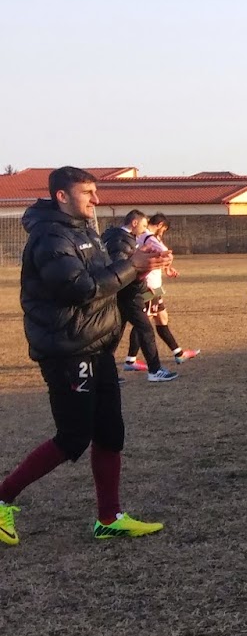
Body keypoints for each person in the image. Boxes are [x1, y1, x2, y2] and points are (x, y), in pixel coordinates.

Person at [0, 166, 169, 545]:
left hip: (96, 344)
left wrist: (142, 268)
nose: (96, 199)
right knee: (73, 436)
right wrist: (131, 266)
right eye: (87, 192)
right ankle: (2, 498)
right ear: (62, 196)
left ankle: (109, 518)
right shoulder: (49, 237)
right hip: (67, 348)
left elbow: (109, 284)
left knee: (110, 432)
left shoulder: (85, 231)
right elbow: (79, 289)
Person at [102, 210, 172, 383]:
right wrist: (143, 272)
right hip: (129, 293)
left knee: (116, 333)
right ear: (134, 223)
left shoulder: (116, 236)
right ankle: (154, 370)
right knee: (145, 329)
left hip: (127, 292)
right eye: (143, 225)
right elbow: (122, 268)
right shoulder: (122, 241)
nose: (144, 229)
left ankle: (105, 373)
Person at [133, 215, 198, 369]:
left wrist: (166, 268)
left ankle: (178, 354)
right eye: (164, 229)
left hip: (154, 286)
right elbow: (166, 253)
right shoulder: (149, 237)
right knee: (143, 323)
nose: (163, 233)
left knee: (162, 318)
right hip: (149, 286)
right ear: (160, 224)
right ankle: (130, 360)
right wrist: (167, 266)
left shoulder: (142, 236)